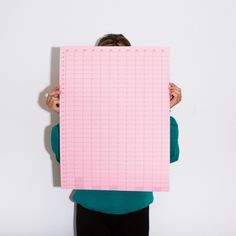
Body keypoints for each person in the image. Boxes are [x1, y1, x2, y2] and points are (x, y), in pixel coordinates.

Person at [46, 33, 182, 236]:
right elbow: (64, 158)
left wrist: (163, 111)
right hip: (91, 206)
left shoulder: (143, 109)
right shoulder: (86, 109)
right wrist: (65, 115)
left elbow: (170, 155)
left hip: (136, 206)